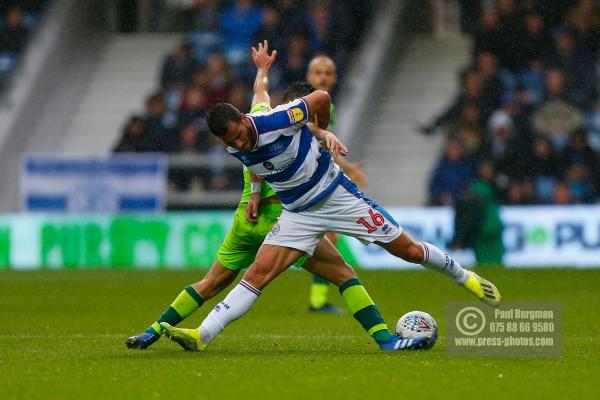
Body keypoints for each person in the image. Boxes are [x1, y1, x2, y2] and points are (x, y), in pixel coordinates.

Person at [159, 44, 502, 354]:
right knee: (257, 274)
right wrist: (262, 70)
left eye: (242, 135)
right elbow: (259, 92)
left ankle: (464, 277)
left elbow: (321, 97)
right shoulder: (238, 138)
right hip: (296, 213)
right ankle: (202, 335)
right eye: (234, 141)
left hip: (337, 197)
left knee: (408, 250)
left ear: (244, 123)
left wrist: (321, 130)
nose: (242, 143)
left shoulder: (276, 120)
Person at [126, 42, 411, 351]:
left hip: (244, 220)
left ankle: (152, 332)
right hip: (282, 220)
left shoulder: (252, 123)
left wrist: (262, 69)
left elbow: (260, 93)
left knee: (210, 283)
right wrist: (326, 135)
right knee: (343, 274)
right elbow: (310, 140)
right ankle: (385, 339)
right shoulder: (290, 129)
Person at [304, 54, 367, 312]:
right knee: (324, 237)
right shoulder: (308, 106)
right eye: (318, 72)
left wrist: (349, 168)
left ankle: (318, 300)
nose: (323, 77)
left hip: (310, 180)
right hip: (299, 182)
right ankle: (318, 300)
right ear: (308, 77)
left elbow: (321, 149)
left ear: (335, 77)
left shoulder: (327, 106)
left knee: (328, 236)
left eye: (328, 72)